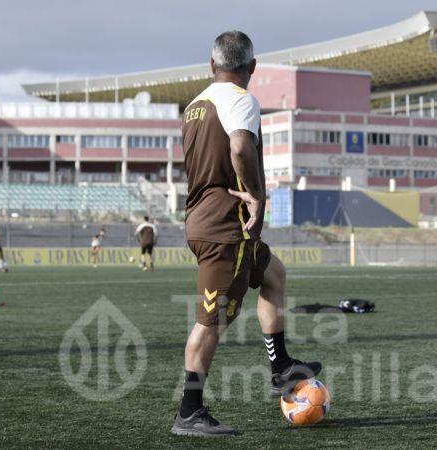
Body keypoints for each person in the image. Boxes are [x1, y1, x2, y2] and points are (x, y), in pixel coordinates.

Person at [171, 31, 321, 438]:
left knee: (273, 273)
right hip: (226, 228)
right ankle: (189, 412)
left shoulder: (195, 107)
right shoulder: (241, 99)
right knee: (212, 322)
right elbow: (239, 148)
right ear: (252, 66)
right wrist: (256, 195)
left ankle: (281, 367)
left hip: (207, 220)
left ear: (211, 64)